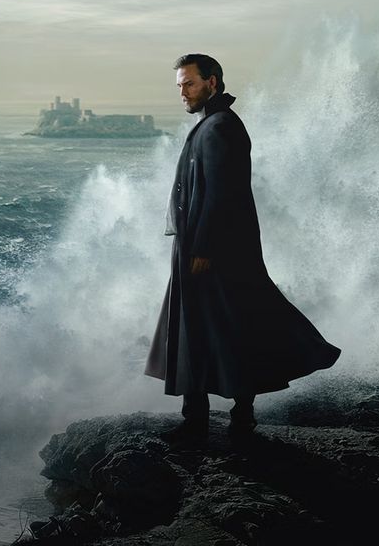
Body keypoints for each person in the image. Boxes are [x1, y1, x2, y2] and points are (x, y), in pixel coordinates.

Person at [145, 54, 340, 444]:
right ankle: (214, 418)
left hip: (212, 252)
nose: (182, 92)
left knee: (228, 328)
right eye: (179, 86)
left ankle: (225, 420)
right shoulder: (213, 123)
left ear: (212, 83)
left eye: (189, 84)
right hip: (206, 249)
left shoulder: (220, 127)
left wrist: (201, 247)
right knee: (212, 329)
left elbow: (221, 193)